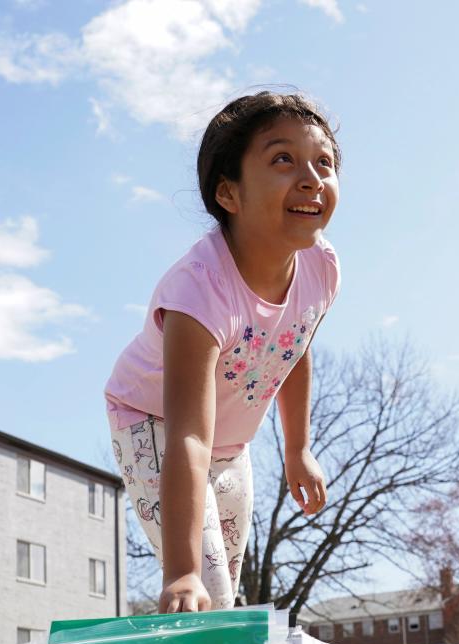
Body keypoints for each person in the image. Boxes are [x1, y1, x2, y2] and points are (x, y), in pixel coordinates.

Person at [104, 91, 341, 614]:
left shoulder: (321, 269)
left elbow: (294, 344)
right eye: (283, 159)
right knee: (201, 589)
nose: (311, 177)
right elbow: (188, 433)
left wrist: (298, 448)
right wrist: (181, 573)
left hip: (231, 443)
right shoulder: (198, 293)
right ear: (229, 194)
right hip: (156, 422)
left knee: (224, 597)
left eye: (323, 162)